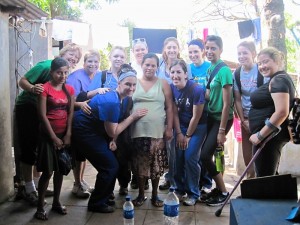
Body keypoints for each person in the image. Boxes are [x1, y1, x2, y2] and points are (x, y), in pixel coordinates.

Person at [72, 66, 148, 213]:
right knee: (109, 165)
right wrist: (133, 117)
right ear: (118, 83)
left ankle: (105, 196)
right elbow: (114, 130)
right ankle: (96, 203)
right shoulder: (112, 101)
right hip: (84, 132)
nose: (131, 88)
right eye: (127, 84)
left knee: (111, 163)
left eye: (134, 85)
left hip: (95, 131)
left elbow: (111, 127)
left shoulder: (120, 99)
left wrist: (112, 140)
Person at [14, 43, 82, 205]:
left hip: (46, 112)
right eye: (70, 54)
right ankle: (29, 188)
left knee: (40, 148)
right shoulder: (45, 65)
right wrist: (32, 88)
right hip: (28, 107)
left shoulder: (65, 74)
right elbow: (22, 81)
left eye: (76, 57)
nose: (73, 58)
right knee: (29, 146)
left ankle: (38, 185)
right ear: (61, 54)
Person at [34, 57, 74, 220]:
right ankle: (40, 207)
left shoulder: (69, 90)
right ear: (51, 72)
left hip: (63, 136)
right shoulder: (45, 89)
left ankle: (57, 202)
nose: (63, 76)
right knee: (48, 171)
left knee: (61, 170)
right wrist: (53, 137)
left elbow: (70, 113)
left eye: (66, 72)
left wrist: (68, 134)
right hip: (47, 136)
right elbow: (42, 115)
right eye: (59, 73)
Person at [131, 53, 173, 207]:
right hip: (137, 131)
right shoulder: (134, 82)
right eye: (147, 64)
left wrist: (169, 127)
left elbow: (169, 107)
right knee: (140, 165)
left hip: (157, 132)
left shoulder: (163, 83)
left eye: (153, 65)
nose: (149, 68)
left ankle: (155, 195)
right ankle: (141, 195)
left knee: (156, 166)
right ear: (142, 65)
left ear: (157, 67)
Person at [249, 47, 295, 177]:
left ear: (277, 61)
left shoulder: (278, 80)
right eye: (259, 63)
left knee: (265, 179)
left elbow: (281, 112)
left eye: (266, 62)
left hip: (268, 138)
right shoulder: (277, 79)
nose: (262, 66)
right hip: (268, 138)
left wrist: (260, 136)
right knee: (268, 177)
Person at [199, 35, 234, 206]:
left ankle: (225, 192)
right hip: (211, 117)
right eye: (207, 48)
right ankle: (219, 189)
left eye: (213, 48)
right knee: (210, 155)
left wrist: (221, 131)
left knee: (205, 155)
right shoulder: (210, 69)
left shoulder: (225, 70)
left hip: (222, 119)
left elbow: (228, 103)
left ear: (221, 50)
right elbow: (208, 94)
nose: (209, 51)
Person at [170, 59, 207, 206]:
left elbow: (196, 116)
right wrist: (179, 133)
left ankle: (193, 192)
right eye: (172, 72)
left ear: (186, 74)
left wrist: (187, 136)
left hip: (197, 127)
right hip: (181, 126)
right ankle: (180, 189)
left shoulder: (196, 89)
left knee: (190, 156)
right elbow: (174, 112)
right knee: (178, 157)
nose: (175, 75)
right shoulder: (172, 88)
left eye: (179, 72)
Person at [66, 50, 101, 198]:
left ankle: (81, 180)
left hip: (90, 121)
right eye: (89, 61)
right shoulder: (76, 77)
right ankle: (76, 184)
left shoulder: (97, 76)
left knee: (84, 154)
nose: (92, 64)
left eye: (95, 62)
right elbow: (69, 100)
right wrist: (81, 104)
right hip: (76, 119)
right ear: (84, 63)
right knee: (78, 154)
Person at [233, 41, 266, 179]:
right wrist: (243, 120)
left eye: (245, 53)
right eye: (239, 53)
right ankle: (250, 184)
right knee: (248, 156)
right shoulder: (237, 73)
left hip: (261, 118)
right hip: (245, 119)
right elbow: (238, 99)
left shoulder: (261, 71)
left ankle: (263, 183)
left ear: (253, 54)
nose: (242, 56)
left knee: (262, 155)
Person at [188, 38, 213, 194]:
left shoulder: (210, 68)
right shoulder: (188, 68)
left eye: (196, 51)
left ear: (203, 51)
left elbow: (212, 93)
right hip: (192, 115)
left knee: (206, 152)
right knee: (193, 153)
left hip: (209, 115)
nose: (193, 55)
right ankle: (194, 183)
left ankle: (207, 183)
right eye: (190, 52)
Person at [157, 37, 182, 191]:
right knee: (165, 147)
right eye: (169, 47)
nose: (172, 50)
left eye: (174, 47)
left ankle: (174, 179)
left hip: (178, 110)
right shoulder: (159, 65)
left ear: (178, 49)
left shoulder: (182, 65)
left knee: (174, 147)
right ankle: (167, 176)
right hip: (161, 110)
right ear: (164, 49)